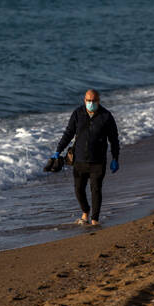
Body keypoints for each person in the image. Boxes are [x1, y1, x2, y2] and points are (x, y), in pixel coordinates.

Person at [51, 89, 120, 226]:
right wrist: (58, 151)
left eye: (94, 101)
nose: (91, 103)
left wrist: (115, 158)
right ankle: (85, 211)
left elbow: (114, 139)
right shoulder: (77, 113)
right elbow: (68, 133)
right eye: (88, 100)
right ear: (84, 100)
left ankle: (94, 220)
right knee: (78, 190)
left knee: (96, 190)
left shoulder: (106, 116)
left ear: (98, 101)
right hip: (79, 160)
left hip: (98, 161)